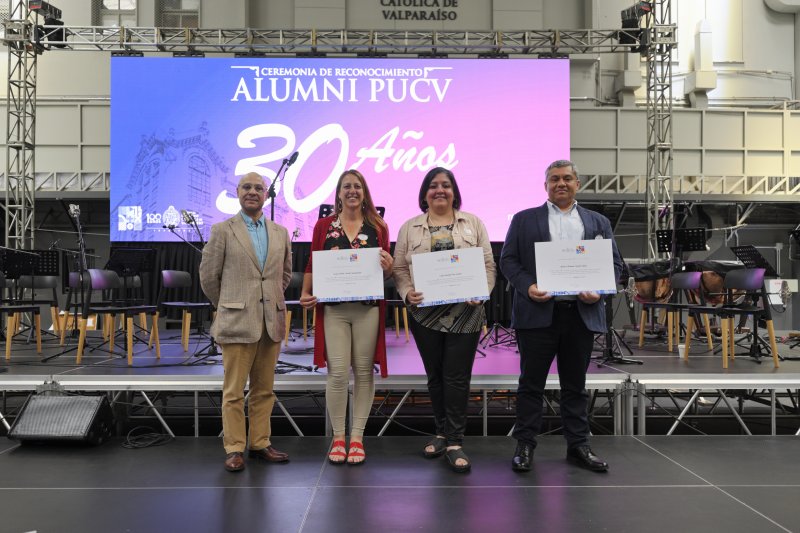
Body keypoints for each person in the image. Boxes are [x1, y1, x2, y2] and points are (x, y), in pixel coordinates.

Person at [500, 159, 623, 473]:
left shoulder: (598, 222)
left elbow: (614, 265)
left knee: (575, 385)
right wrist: (528, 287)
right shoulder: (524, 219)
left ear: (577, 184)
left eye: (567, 178)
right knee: (530, 384)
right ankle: (525, 445)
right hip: (538, 314)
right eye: (554, 179)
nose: (561, 183)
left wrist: (599, 290)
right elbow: (508, 260)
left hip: (579, 316)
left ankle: (578, 445)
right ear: (546, 186)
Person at [393, 167, 496, 473]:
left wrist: (482, 292)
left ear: (454, 192)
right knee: (435, 375)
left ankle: (454, 440)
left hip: (466, 313)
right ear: (425, 193)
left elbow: (488, 265)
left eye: (446, 185)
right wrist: (407, 292)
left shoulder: (473, 223)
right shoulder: (409, 227)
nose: (440, 190)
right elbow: (399, 268)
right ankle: (441, 433)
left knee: (457, 376)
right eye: (433, 185)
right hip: (425, 314)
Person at [199, 171, 293, 472]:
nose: (253, 191)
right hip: (237, 321)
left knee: (265, 390)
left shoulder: (280, 232)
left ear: (266, 194)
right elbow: (208, 277)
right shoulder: (222, 230)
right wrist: (229, 303)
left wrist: (269, 300)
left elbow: (284, 275)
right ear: (238, 192)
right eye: (247, 187)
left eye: (258, 188)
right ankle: (235, 447)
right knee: (234, 392)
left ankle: (260, 443)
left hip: (270, 321)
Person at [299, 169, 393, 465]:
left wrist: (389, 266)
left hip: (367, 309)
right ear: (338, 193)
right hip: (334, 310)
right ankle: (339, 437)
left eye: (357, 186)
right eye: (346, 186)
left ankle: (357, 438)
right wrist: (305, 292)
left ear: (364, 192)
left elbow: (385, 272)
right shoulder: (323, 226)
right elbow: (313, 261)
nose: (352, 191)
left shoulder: (378, 226)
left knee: (364, 372)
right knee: (338, 373)